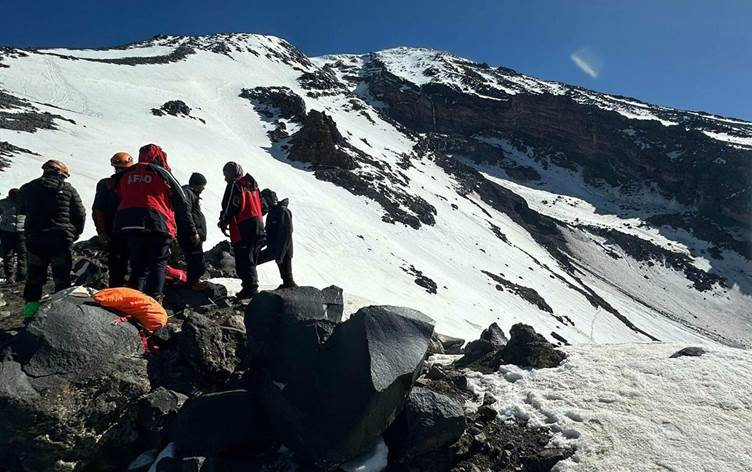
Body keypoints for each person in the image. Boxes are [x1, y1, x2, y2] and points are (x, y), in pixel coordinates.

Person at [114, 144, 198, 301]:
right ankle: (154, 300)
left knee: (138, 267)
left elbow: (117, 196)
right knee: (158, 263)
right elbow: (181, 200)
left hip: (129, 224)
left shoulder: (127, 174)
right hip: (157, 223)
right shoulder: (161, 172)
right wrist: (191, 230)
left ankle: (133, 302)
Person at [17, 160, 85, 319]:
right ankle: (62, 316)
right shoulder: (68, 189)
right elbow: (80, 213)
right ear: (61, 174)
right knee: (62, 277)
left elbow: (21, 209)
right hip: (60, 239)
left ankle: (29, 314)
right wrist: (75, 233)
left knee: (34, 277)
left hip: (35, 239)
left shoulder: (28, 188)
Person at [219, 162, 264, 299]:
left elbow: (230, 205)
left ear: (231, 174)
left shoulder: (235, 185)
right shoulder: (253, 186)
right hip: (258, 224)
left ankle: (250, 289)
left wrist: (223, 221)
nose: (225, 178)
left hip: (244, 225)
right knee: (251, 257)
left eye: (226, 174)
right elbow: (263, 205)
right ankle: (251, 287)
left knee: (244, 258)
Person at [92, 152, 133, 287]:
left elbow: (98, 210)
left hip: (114, 232)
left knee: (117, 268)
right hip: (133, 231)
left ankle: (116, 293)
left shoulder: (106, 184)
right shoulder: (136, 184)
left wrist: (102, 232)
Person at [259, 189, 297, 289]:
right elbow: (269, 233)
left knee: (287, 278)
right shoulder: (273, 212)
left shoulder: (282, 211)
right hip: (275, 249)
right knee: (286, 278)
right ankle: (290, 291)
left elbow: (286, 235)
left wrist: (280, 255)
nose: (262, 203)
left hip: (283, 250)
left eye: (263, 200)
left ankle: (295, 294)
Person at [181, 172, 208, 287]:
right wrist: (193, 231)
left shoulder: (191, 194)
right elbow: (185, 212)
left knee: (196, 262)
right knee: (196, 262)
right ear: (196, 184)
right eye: (202, 186)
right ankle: (192, 285)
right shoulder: (188, 193)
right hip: (191, 234)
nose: (203, 189)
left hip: (194, 234)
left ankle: (193, 283)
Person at [0, 188, 26, 285]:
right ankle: (13, 276)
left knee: (17, 254)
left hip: (16, 231)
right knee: (16, 254)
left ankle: (18, 275)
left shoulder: (3, 203)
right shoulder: (3, 203)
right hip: (11, 231)